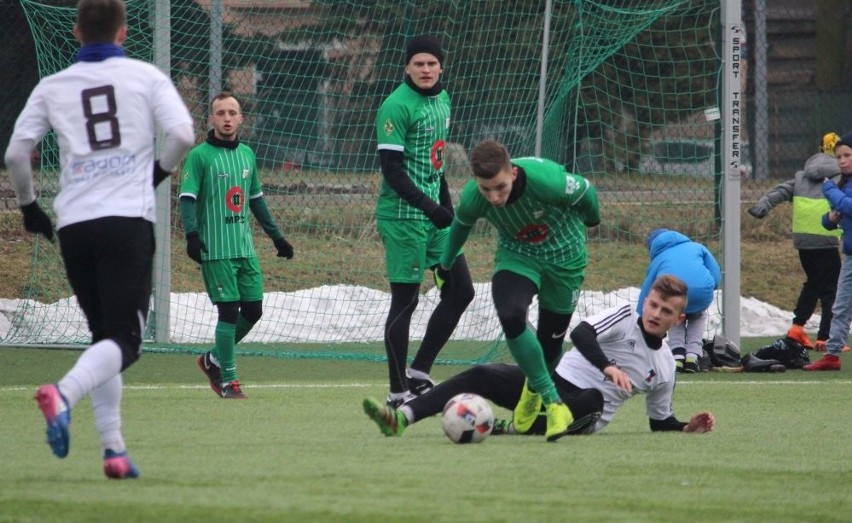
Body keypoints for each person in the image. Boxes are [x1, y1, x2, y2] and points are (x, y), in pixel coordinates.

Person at [4, 0, 194, 479]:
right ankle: (62, 394)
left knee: (104, 339)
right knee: (127, 341)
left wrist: (29, 207)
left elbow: (16, 152)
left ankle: (113, 450)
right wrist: (154, 174)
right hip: (125, 221)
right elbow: (183, 134)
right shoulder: (145, 76)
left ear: (75, 32)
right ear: (123, 32)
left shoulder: (54, 86)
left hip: (74, 225)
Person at [363, 275, 716, 437]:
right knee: (483, 374)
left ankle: (520, 427)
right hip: (548, 386)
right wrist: (608, 367)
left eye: (666, 311)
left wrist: (686, 426)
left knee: (592, 398)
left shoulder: (666, 368)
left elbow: (659, 421)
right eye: (653, 304)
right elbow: (581, 333)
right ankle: (402, 417)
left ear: (679, 319)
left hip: (581, 412)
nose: (655, 313)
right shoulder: (624, 317)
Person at [434, 139, 600, 442]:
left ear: (512, 172)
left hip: (565, 260)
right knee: (511, 314)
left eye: (499, 187)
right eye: (486, 189)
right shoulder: (475, 197)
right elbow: (460, 225)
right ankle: (554, 403)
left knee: (550, 346)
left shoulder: (546, 181)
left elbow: (587, 193)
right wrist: (444, 265)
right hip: (519, 256)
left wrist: (592, 219)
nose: (494, 197)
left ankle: (532, 394)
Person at [374, 35, 475, 407]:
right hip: (403, 217)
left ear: (441, 67)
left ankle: (419, 372)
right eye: (419, 64)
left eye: (432, 63)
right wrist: (430, 208)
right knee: (406, 301)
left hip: (432, 216)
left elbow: (436, 164)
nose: (426, 70)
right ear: (407, 67)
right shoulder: (396, 106)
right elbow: (393, 171)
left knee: (461, 290)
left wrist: (446, 207)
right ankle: (397, 391)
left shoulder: (442, 100)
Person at [180, 92, 294, 399]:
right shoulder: (199, 156)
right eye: (221, 113)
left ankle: (212, 359)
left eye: (233, 112)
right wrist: (191, 235)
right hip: (215, 250)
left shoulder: (247, 154)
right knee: (228, 312)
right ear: (212, 119)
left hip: (244, 249)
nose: (227, 118)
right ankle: (228, 380)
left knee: (254, 310)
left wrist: (276, 237)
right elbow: (187, 198)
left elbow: (255, 199)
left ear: (241, 118)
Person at [748, 132, 843, 351]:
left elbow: (780, 191)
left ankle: (797, 328)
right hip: (826, 239)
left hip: (803, 242)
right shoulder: (840, 178)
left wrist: (762, 205)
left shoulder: (802, 176)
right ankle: (826, 337)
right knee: (832, 290)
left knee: (813, 283)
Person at [637, 228, 721, 373]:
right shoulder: (697, 247)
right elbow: (715, 271)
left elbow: (648, 288)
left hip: (673, 296)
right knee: (698, 315)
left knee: (672, 314)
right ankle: (693, 356)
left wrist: (640, 314)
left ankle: (677, 355)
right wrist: (711, 286)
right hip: (702, 292)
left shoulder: (658, 259)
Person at [806, 131, 852, 371]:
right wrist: (829, 219)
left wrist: (830, 190)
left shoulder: (834, 188)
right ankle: (832, 355)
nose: (842, 161)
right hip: (851, 255)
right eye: (839, 157)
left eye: (847, 155)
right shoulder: (843, 184)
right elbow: (836, 215)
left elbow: (849, 206)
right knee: (841, 304)